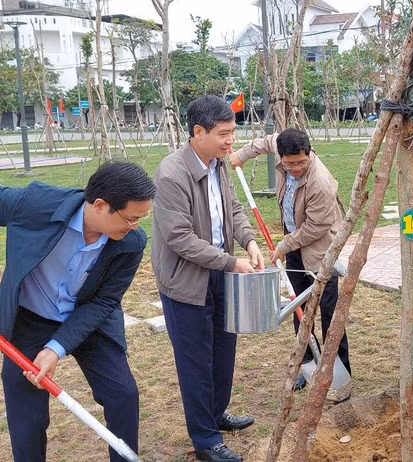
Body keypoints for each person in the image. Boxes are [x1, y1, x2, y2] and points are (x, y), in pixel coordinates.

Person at [0, 161, 155, 462]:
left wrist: (55, 349)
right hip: (30, 316)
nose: (135, 227)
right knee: (27, 415)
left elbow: (103, 303)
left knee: (123, 395)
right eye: (131, 218)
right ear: (100, 205)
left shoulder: (131, 243)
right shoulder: (36, 204)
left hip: (88, 317)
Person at [152, 95, 264, 462]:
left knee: (223, 352)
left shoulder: (218, 164)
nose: (231, 141)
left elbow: (231, 207)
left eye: (233, 132)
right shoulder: (172, 174)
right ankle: (205, 441)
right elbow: (179, 238)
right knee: (196, 361)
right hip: (187, 282)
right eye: (224, 134)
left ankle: (215, 415)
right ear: (198, 132)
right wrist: (230, 262)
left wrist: (247, 240)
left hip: (220, 271)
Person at [230, 128, 351, 399]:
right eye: (289, 163)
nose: (295, 168)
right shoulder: (280, 146)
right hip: (294, 245)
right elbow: (265, 141)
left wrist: (283, 245)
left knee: (330, 314)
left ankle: (337, 369)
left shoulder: (321, 182)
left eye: (301, 162)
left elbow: (316, 226)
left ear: (309, 153)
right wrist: (241, 155)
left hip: (321, 253)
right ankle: (307, 365)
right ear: (281, 158)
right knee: (299, 308)